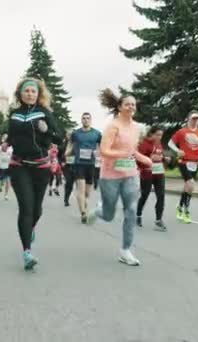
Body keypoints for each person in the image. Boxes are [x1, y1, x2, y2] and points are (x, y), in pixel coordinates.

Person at [86, 90, 152, 266]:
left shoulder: (137, 127)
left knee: (131, 210)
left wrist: (142, 158)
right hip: (110, 175)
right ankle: (98, 212)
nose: (131, 106)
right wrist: (123, 153)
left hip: (130, 174)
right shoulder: (113, 126)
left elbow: (132, 150)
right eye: (127, 104)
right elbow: (104, 150)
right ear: (120, 107)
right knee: (109, 215)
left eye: (133, 104)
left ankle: (125, 250)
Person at [7, 78, 61, 271]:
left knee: (37, 210)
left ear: (38, 94)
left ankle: (30, 229)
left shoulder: (44, 113)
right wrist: (7, 142)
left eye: (33, 91)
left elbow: (58, 137)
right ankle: (27, 252)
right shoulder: (14, 114)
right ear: (20, 93)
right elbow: (11, 135)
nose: (30, 94)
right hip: (19, 165)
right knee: (26, 208)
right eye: (26, 91)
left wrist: (47, 131)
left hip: (40, 167)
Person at [168, 110, 198, 224]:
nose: (195, 121)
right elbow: (170, 143)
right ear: (188, 119)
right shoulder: (182, 132)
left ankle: (180, 206)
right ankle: (186, 210)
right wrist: (178, 150)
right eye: (193, 118)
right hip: (183, 162)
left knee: (188, 187)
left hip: (195, 163)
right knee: (191, 184)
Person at [136, 126, 169, 231]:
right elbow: (138, 159)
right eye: (158, 135)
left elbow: (159, 155)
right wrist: (148, 161)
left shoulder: (158, 144)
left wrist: (164, 159)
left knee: (161, 195)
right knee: (145, 195)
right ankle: (138, 215)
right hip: (147, 173)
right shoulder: (144, 144)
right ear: (152, 134)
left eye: (161, 135)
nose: (159, 137)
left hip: (159, 173)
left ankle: (158, 220)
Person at [71, 112, 102, 223]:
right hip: (79, 164)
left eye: (88, 118)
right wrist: (67, 152)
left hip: (91, 165)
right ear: (81, 120)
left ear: (91, 120)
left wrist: (98, 153)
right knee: (81, 190)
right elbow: (71, 144)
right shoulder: (76, 133)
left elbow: (102, 147)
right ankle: (83, 214)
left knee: (87, 193)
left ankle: (84, 205)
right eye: (83, 118)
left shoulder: (97, 134)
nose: (86, 120)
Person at [60, 129, 76, 207]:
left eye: (71, 134)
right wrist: (61, 161)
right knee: (68, 181)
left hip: (75, 165)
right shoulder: (63, 143)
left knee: (71, 184)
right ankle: (66, 199)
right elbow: (59, 153)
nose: (69, 135)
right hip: (66, 166)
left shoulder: (76, 144)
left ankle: (68, 196)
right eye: (68, 134)